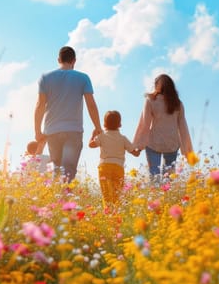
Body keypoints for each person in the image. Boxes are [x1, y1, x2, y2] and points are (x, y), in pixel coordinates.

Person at [34, 46, 102, 182]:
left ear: (59, 59)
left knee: (58, 171)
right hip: (73, 131)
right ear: (74, 61)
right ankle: (65, 200)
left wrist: (37, 131)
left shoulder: (45, 78)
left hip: (52, 131)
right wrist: (97, 127)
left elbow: (40, 105)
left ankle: (58, 201)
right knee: (68, 172)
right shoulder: (83, 78)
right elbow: (91, 105)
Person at [133, 74, 193, 184]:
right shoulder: (178, 104)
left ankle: (156, 201)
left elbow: (145, 125)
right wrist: (188, 151)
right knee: (168, 180)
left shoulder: (150, 100)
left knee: (154, 178)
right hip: (172, 145)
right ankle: (167, 200)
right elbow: (183, 127)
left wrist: (138, 146)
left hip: (153, 143)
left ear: (157, 86)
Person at [89, 111, 140, 209]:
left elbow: (91, 145)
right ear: (119, 123)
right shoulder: (123, 138)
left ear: (105, 123)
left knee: (106, 194)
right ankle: (116, 215)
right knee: (117, 194)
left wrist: (93, 134)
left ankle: (108, 214)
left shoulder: (102, 136)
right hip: (118, 168)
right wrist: (140, 147)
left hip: (104, 167)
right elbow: (136, 153)